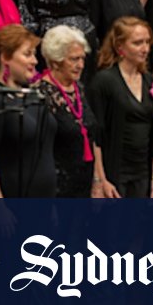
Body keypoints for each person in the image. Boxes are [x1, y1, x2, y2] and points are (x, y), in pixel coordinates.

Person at [0, 25, 55, 198]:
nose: (34, 61)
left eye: (34, 54)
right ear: (5, 57)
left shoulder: (33, 95)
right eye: (27, 54)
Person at [89, 17, 153, 198]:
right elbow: (96, 135)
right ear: (120, 46)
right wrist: (100, 179)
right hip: (116, 172)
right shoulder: (104, 81)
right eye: (137, 43)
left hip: (142, 173)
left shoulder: (149, 80)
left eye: (147, 42)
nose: (145, 48)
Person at [35, 25, 101, 198]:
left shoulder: (79, 87)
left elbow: (92, 138)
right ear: (56, 60)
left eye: (82, 58)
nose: (80, 65)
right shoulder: (41, 94)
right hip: (57, 187)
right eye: (73, 59)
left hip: (84, 182)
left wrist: (98, 180)